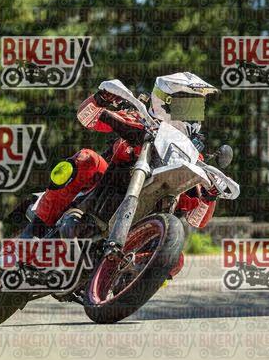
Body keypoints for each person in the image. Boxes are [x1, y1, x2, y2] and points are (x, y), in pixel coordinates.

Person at [23, 72, 222, 278]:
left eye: (197, 108)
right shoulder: (141, 119)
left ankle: (123, 284)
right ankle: (34, 232)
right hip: (102, 190)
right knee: (86, 159)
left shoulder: (194, 157)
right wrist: (102, 98)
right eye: (188, 106)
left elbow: (196, 220)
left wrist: (210, 195)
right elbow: (86, 118)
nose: (193, 114)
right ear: (165, 102)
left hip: (141, 225)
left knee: (175, 260)